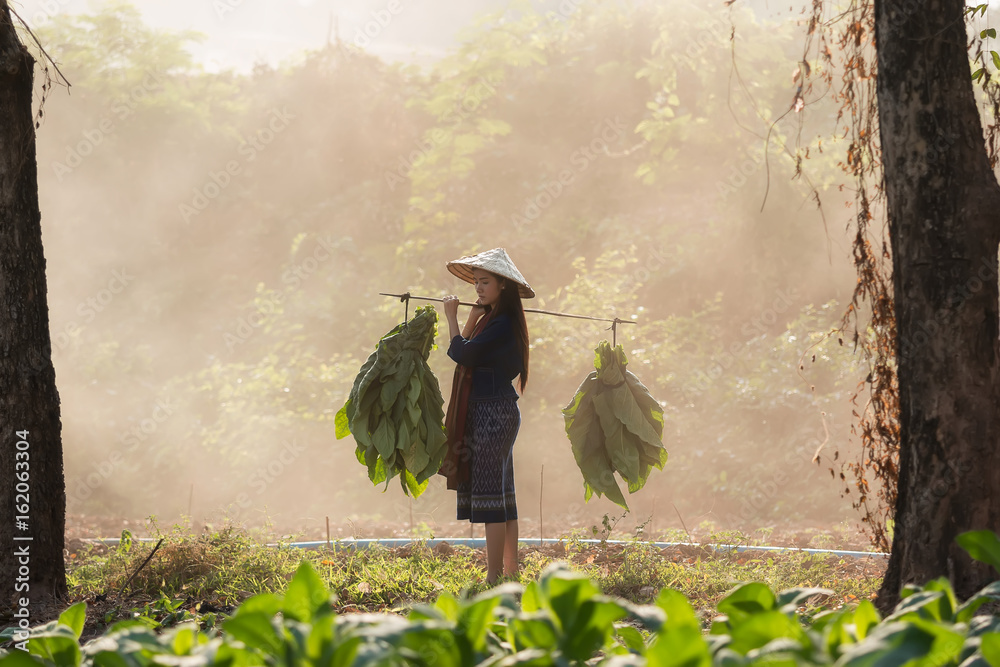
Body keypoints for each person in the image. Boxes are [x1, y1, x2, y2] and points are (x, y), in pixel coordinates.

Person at [439, 247, 533, 584]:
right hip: (493, 410)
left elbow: (461, 353)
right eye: (476, 282)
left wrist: (451, 317)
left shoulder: (503, 323)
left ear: (503, 286)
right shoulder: (493, 321)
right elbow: (466, 349)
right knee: (504, 494)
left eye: (485, 282)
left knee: (495, 495)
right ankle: (510, 572)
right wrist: (471, 318)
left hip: (493, 413)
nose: (478, 288)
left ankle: (494, 577)